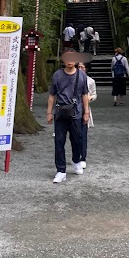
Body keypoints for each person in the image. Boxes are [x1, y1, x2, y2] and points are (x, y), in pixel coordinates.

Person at [47, 51, 90, 183]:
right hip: (60, 113)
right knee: (59, 142)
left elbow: (84, 94)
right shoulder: (57, 75)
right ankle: (61, 170)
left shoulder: (81, 76)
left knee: (77, 139)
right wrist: (49, 112)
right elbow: (52, 95)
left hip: (76, 112)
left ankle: (76, 159)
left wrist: (86, 112)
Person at [77, 61, 97, 168]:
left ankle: (83, 157)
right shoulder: (72, 78)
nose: (80, 69)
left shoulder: (90, 81)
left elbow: (94, 94)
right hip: (73, 109)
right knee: (75, 134)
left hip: (85, 109)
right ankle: (76, 156)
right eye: (79, 67)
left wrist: (90, 98)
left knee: (83, 134)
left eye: (82, 67)